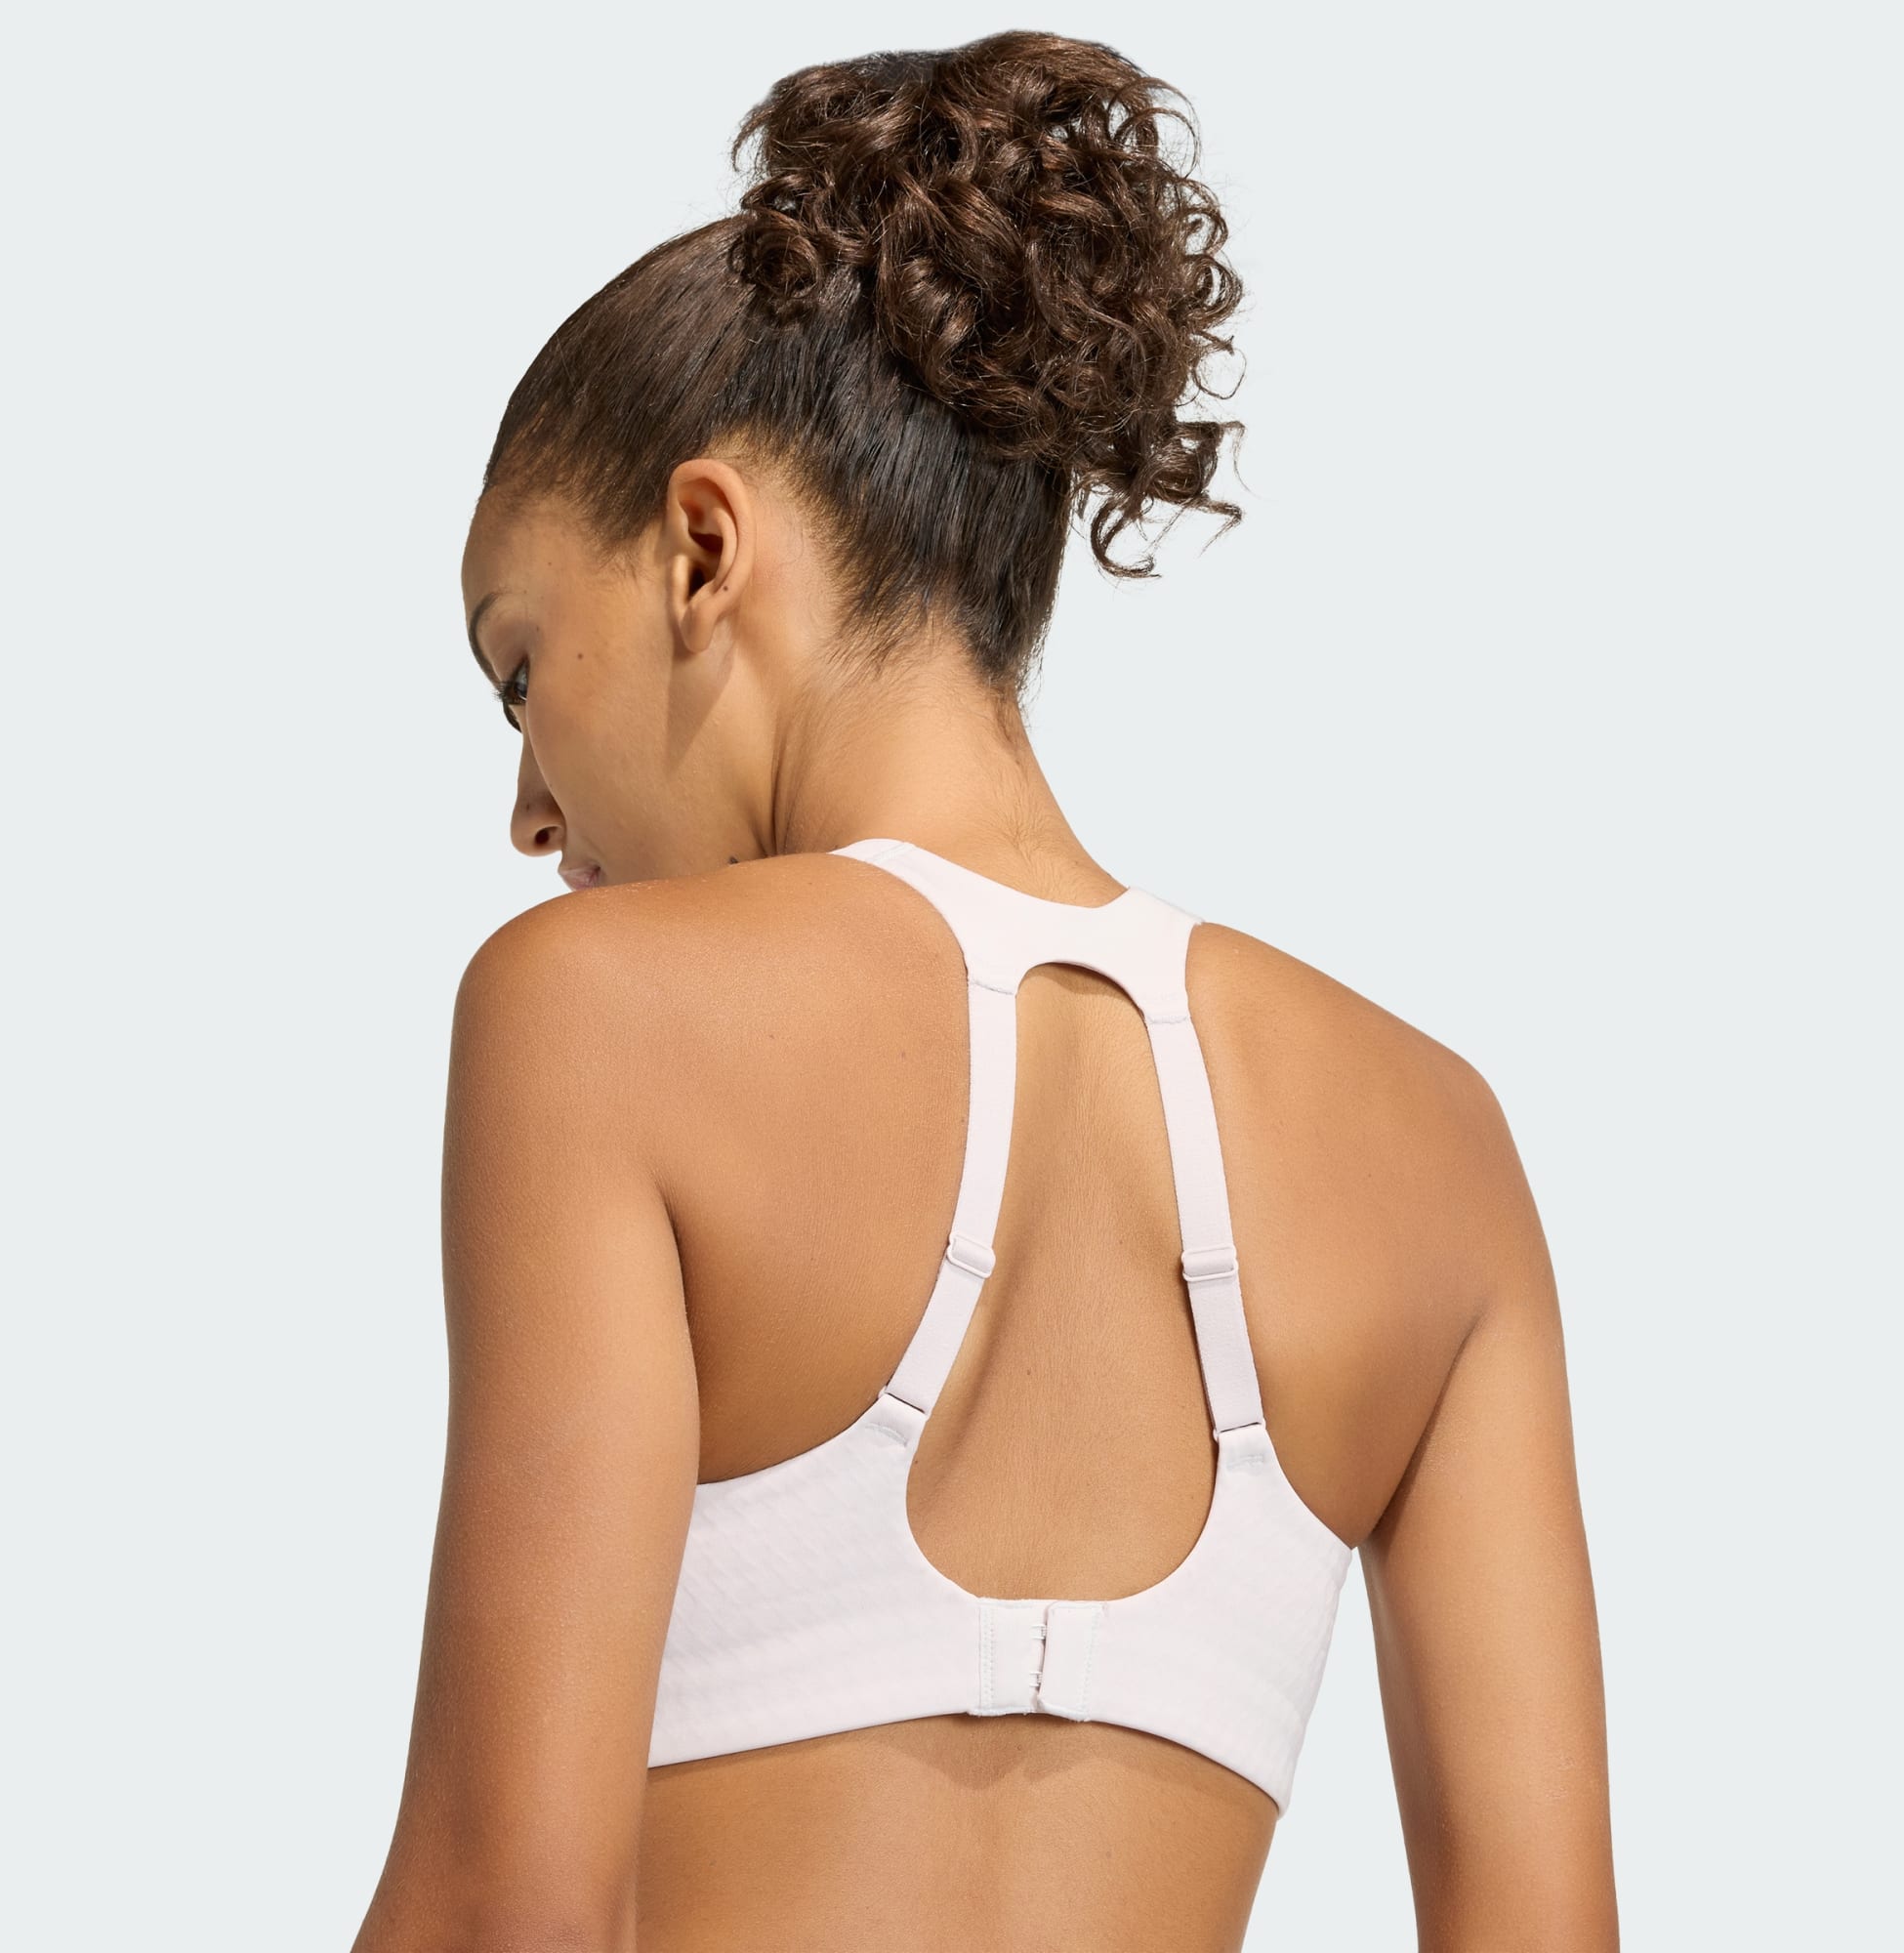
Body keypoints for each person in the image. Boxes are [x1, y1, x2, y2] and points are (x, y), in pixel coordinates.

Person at [352, 29, 1617, 1953]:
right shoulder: (1434, 1146)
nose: (527, 807)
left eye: (519, 668)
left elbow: (500, 1907)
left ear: (701, 550)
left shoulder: (593, 1014)